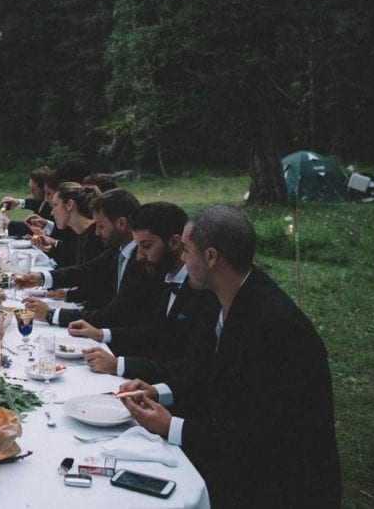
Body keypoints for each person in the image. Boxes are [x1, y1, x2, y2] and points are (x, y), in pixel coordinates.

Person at [118, 205, 341, 507]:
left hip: (278, 485)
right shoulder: (229, 296)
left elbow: (263, 433)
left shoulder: (275, 327)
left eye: (186, 250)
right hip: (241, 461)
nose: (182, 259)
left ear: (211, 257)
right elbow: (207, 369)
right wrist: (158, 392)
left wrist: (172, 427)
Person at [66, 202, 218, 383]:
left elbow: (193, 366)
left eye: (146, 246)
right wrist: (101, 334)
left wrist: (120, 365)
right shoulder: (164, 274)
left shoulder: (203, 291)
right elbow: (153, 332)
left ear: (175, 242)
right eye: (137, 246)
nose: (139, 256)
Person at [20, 188, 157, 315]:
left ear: (121, 224)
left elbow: (114, 311)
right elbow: (88, 269)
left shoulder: (141, 259)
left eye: (101, 226)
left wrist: (52, 314)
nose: (97, 232)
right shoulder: (118, 249)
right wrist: (41, 278)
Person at [30, 182, 105, 268]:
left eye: (55, 205)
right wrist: (51, 248)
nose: (52, 213)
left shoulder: (96, 237)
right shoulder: (82, 233)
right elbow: (72, 261)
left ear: (69, 205)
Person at [1, 166, 53, 237]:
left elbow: (35, 229)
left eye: (33, 189)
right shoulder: (46, 200)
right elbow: (38, 203)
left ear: (44, 188)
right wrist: (18, 202)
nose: (31, 192)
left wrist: (9, 224)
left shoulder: (52, 205)